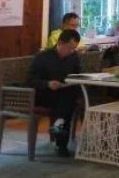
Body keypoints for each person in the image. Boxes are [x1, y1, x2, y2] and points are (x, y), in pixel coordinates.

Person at [27, 29, 81, 157]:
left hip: (64, 91)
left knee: (72, 97)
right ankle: (61, 144)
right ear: (60, 43)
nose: (71, 51)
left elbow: (77, 74)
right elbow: (30, 81)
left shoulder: (73, 57)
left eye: (74, 49)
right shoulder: (42, 57)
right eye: (69, 48)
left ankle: (59, 133)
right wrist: (48, 83)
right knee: (67, 101)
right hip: (44, 94)